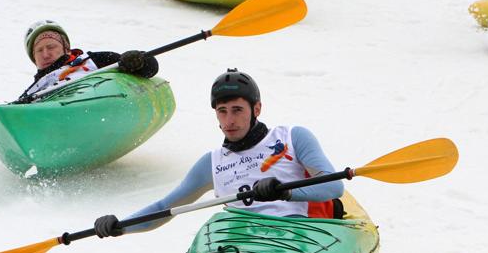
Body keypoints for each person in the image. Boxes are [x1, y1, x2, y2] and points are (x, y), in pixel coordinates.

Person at [92, 69, 344, 238]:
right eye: (222, 111)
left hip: (294, 233)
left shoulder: (291, 137)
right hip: (241, 237)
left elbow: (333, 188)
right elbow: (164, 208)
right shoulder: (211, 164)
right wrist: (120, 226)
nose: (229, 120)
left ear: (256, 109)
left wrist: (287, 191)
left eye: (237, 110)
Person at [0, 20, 158, 133]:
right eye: (39, 50)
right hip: (63, 123)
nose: (45, 54)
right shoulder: (32, 92)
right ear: (33, 58)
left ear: (65, 47)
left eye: (51, 47)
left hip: (102, 107)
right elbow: (17, 124)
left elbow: (150, 69)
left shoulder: (92, 59)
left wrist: (139, 59)